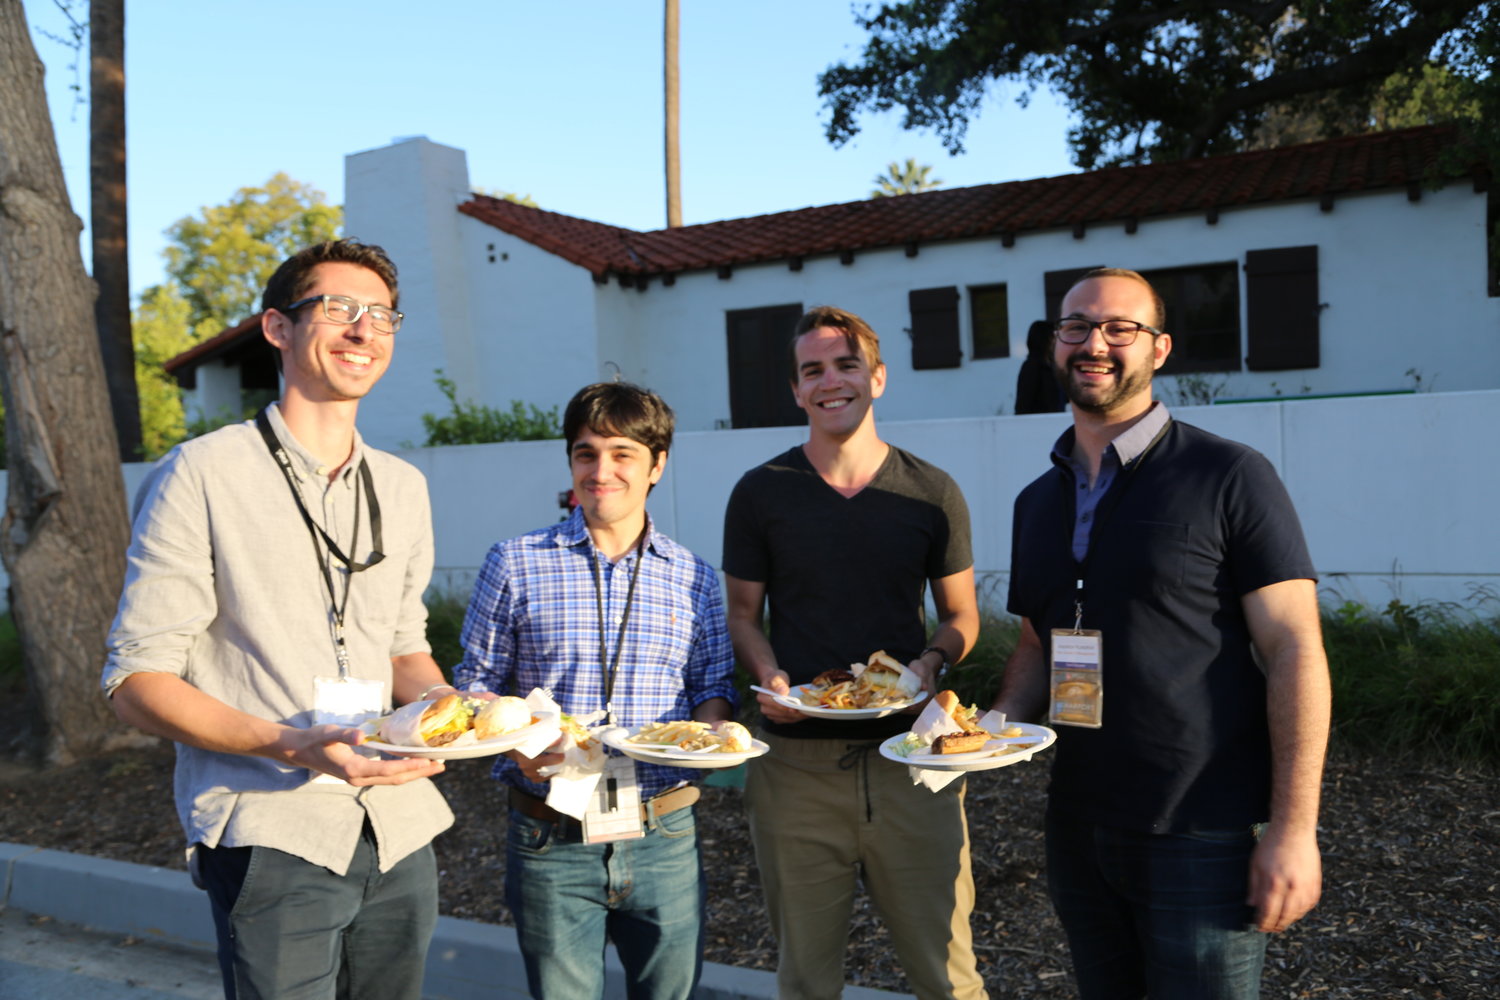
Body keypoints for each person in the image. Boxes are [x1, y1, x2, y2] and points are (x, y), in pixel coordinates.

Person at [102, 240, 455, 1000]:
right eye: (337, 309)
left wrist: (454, 710)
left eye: (382, 315)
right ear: (277, 328)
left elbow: (404, 649)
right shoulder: (201, 472)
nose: (364, 330)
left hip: (399, 827)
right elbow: (137, 680)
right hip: (273, 830)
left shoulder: (403, 486)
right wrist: (293, 744)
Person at [993, 268, 1331, 998]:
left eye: (1121, 328)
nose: (1096, 344)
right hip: (1077, 823)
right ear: (1056, 344)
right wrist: (983, 732)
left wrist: (1293, 829)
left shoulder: (1230, 475)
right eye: (1077, 326)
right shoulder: (1035, 501)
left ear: (1161, 348)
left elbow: (1294, 648)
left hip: (1198, 829)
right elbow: (1035, 643)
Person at [722, 305, 988, 1000]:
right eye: (813, 370)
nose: (830, 382)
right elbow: (744, 617)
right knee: (807, 981)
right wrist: (769, 675)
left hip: (913, 764)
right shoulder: (760, 493)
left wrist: (932, 663)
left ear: (878, 378)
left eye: (846, 366)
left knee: (948, 977)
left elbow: (962, 615)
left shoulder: (931, 493)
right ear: (795, 389)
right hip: (797, 770)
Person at [453, 381, 736, 1000]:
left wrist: (712, 737)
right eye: (586, 454)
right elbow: (474, 688)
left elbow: (713, 688)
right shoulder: (515, 562)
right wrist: (515, 747)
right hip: (549, 831)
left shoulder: (694, 578)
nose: (600, 470)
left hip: (663, 830)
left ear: (657, 464)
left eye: (621, 454)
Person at [1014, 318, 1067, 414]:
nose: (1057, 341)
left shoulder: (1053, 367)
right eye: (1054, 336)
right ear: (1046, 339)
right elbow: (1023, 405)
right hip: (1039, 425)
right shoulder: (1032, 367)